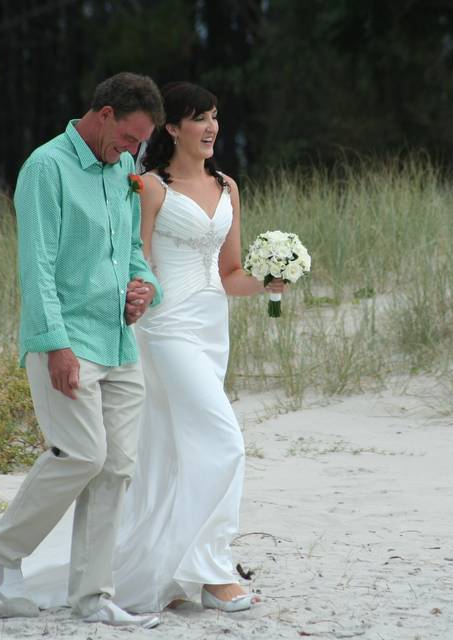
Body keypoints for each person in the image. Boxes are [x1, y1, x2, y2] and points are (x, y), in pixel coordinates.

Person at [0, 72, 165, 629]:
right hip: (68, 341)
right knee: (82, 454)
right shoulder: (46, 168)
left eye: (141, 143)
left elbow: (131, 248)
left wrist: (144, 287)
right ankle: (1, 549)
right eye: (129, 138)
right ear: (103, 114)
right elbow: (36, 269)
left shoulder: (124, 169)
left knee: (117, 468)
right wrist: (56, 345)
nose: (134, 152)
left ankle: (92, 597)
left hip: (120, 342)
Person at [112, 81, 286, 612]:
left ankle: (163, 565)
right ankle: (211, 569)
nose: (211, 127)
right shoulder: (148, 187)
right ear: (172, 128)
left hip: (212, 328)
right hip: (165, 330)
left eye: (215, 117)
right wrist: (132, 300)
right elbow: (134, 263)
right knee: (224, 440)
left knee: (173, 449)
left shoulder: (228, 186)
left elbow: (229, 273)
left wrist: (269, 282)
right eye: (199, 118)